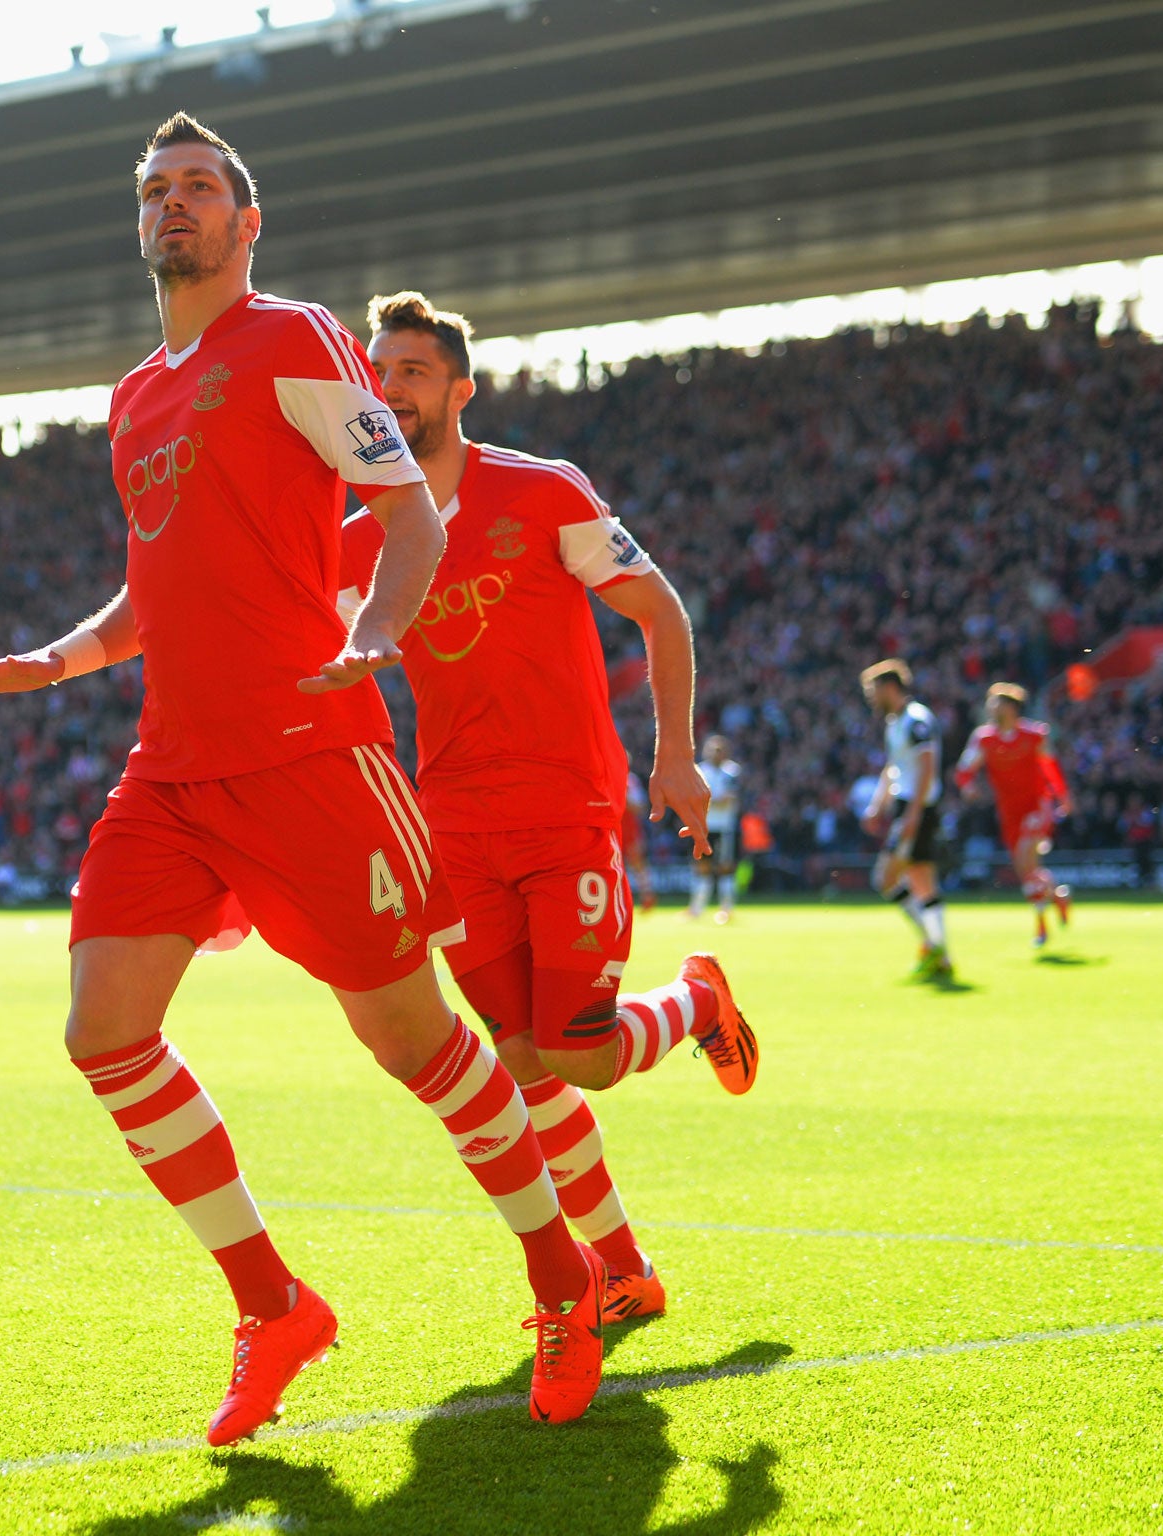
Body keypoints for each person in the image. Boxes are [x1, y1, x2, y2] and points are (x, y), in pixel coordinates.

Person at [0, 115, 609, 1445]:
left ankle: (564, 1274)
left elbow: (409, 509)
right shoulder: (135, 395)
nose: (172, 206)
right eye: (154, 191)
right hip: (174, 769)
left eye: (198, 189)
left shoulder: (294, 340)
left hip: (313, 756)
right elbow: (156, 577)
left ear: (248, 224)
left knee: (414, 1044)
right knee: (102, 1030)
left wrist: (372, 636)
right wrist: (62, 659)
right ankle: (273, 1304)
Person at [341, 290, 759, 1325]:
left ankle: (695, 1002)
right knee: (523, 1066)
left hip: (564, 806)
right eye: (378, 371)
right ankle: (621, 1269)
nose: (390, 389)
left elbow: (656, 607)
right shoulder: (358, 545)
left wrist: (673, 757)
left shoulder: (539, 493)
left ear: (458, 390)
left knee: (575, 1054)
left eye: (413, 372)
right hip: (454, 832)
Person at [955, 682, 1075, 947]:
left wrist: (1063, 797)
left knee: (1025, 857)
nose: (990, 709)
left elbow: (1050, 767)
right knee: (1028, 871)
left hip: (1037, 807)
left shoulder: (1035, 735)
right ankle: (1058, 896)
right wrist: (968, 786)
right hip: (1009, 813)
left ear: (1010, 707)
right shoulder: (983, 738)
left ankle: (1041, 927)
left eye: (994, 704)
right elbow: (963, 770)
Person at [860, 659, 952, 980]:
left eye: (873, 690)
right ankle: (939, 952)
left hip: (919, 808)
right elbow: (894, 767)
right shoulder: (894, 722)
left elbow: (927, 767)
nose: (871, 697)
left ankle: (933, 945)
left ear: (889, 687)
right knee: (922, 881)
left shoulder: (917, 720)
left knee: (885, 878)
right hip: (908, 806)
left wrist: (912, 815)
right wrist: (878, 804)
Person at [689, 735, 744, 922]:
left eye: (720, 750)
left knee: (725, 868)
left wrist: (709, 800)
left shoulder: (732, 772)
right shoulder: (700, 771)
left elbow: (730, 798)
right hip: (704, 827)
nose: (716, 754)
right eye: (712, 750)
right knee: (702, 868)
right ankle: (696, 909)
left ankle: (726, 909)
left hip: (725, 827)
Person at [621, 769, 658, 913]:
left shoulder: (630, 781)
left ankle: (647, 897)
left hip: (629, 830)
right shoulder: (605, 776)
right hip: (611, 828)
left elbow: (640, 807)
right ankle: (617, 900)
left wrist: (623, 798)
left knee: (637, 863)